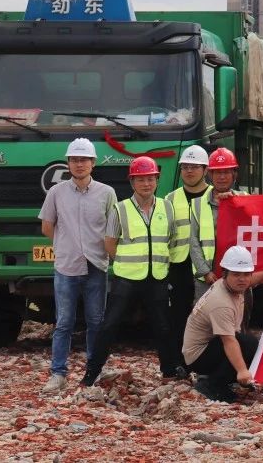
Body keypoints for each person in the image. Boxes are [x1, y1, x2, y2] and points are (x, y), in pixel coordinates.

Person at [83, 156, 187, 386]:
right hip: (126, 278)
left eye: (150, 179)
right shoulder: (120, 209)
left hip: (157, 276)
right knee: (110, 325)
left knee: (163, 326)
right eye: (140, 179)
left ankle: (169, 371)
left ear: (157, 180)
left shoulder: (167, 207)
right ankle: (91, 373)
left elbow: (171, 239)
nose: (146, 184)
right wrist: (124, 262)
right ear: (132, 182)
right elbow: (110, 243)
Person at [38, 138, 117, 392]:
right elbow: (47, 226)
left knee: (96, 321)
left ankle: (94, 370)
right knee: (63, 322)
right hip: (66, 266)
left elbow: (112, 229)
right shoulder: (56, 193)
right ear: (68, 163)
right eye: (74, 160)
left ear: (93, 163)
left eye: (84, 160)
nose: (79, 164)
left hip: (96, 265)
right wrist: (66, 244)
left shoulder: (106, 193)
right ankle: (58, 373)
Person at [183, 245, 263, 402]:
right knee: (248, 344)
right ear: (225, 274)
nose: (242, 279)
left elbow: (249, 281)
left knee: (247, 343)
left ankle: (220, 378)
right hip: (198, 356)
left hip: (209, 345)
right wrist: (242, 371)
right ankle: (212, 385)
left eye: (246, 274)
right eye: (236, 274)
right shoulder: (221, 303)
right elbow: (229, 341)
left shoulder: (230, 284)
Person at [189, 148, 249, 301]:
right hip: (208, 277)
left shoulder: (245, 200)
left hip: (239, 275)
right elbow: (193, 242)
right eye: (217, 172)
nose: (222, 177)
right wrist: (205, 272)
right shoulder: (197, 204)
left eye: (226, 172)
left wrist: (233, 202)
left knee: (239, 314)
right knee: (206, 314)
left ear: (234, 174)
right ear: (210, 175)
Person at [166, 145, 210, 345]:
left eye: (195, 167)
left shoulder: (215, 196)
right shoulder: (170, 199)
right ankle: (178, 358)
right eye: (185, 167)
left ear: (205, 170)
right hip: (179, 264)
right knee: (178, 316)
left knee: (207, 315)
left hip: (207, 266)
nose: (189, 171)